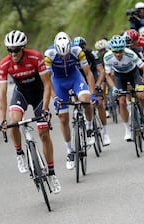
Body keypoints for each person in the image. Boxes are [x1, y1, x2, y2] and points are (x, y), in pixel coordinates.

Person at [0, 30, 61, 194]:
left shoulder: (35, 57)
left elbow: (47, 84)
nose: (12, 54)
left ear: (24, 48)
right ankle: (19, 152)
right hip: (21, 94)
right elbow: (2, 94)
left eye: (16, 50)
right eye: (9, 50)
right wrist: (1, 120)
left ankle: (52, 173)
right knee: (13, 121)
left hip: (39, 94)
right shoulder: (5, 64)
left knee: (44, 134)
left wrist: (46, 109)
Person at [44, 32, 98, 170]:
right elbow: (47, 80)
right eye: (61, 55)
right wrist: (55, 97)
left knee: (85, 100)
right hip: (58, 81)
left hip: (75, 78)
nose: (64, 57)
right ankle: (70, 151)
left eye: (66, 54)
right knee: (63, 118)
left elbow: (88, 73)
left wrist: (92, 94)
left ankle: (90, 127)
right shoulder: (49, 54)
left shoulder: (77, 50)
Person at [103, 35, 144, 140]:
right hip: (120, 77)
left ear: (124, 49)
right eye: (115, 51)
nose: (118, 54)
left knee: (141, 95)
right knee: (121, 101)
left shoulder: (130, 54)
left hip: (133, 74)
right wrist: (114, 88)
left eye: (120, 51)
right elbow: (107, 75)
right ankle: (127, 129)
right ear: (111, 50)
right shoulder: (107, 57)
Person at [73, 36, 111, 146]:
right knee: (78, 100)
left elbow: (101, 71)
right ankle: (81, 114)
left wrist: (98, 84)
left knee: (99, 103)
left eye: (82, 47)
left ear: (85, 47)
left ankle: (105, 132)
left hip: (93, 77)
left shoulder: (91, 54)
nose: (80, 50)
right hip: (80, 79)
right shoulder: (72, 57)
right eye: (78, 48)